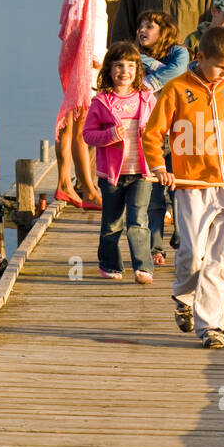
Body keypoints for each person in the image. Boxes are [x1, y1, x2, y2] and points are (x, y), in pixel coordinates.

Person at [143, 26, 224, 349]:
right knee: (193, 253)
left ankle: (212, 326)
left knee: (222, 258)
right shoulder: (177, 89)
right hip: (191, 184)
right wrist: (159, 168)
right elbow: (152, 134)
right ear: (201, 57)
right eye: (220, 66)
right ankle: (184, 294)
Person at [56, 0, 124, 209]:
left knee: (72, 123)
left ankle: (66, 183)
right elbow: (72, 26)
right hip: (85, 64)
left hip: (86, 61)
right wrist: (87, 58)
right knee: (81, 125)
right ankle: (89, 190)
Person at [83, 41, 156, 283]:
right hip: (111, 175)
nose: (125, 71)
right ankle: (110, 265)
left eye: (131, 66)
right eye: (118, 66)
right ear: (108, 70)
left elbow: (159, 130)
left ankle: (143, 267)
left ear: (138, 70)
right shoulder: (101, 102)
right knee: (112, 224)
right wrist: (111, 135)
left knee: (138, 221)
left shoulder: (147, 99)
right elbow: (88, 134)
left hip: (142, 172)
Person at [134, 10, 189, 266]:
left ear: (164, 30)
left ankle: (181, 237)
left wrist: (149, 80)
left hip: (177, 129)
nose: (142, 30)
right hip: (148, 133)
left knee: (178, 189)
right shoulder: (133, 54)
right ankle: (156, 247)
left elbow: (179, 72)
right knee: (154, 194)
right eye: (141, 26)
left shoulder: (179, 52)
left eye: (149, 26)